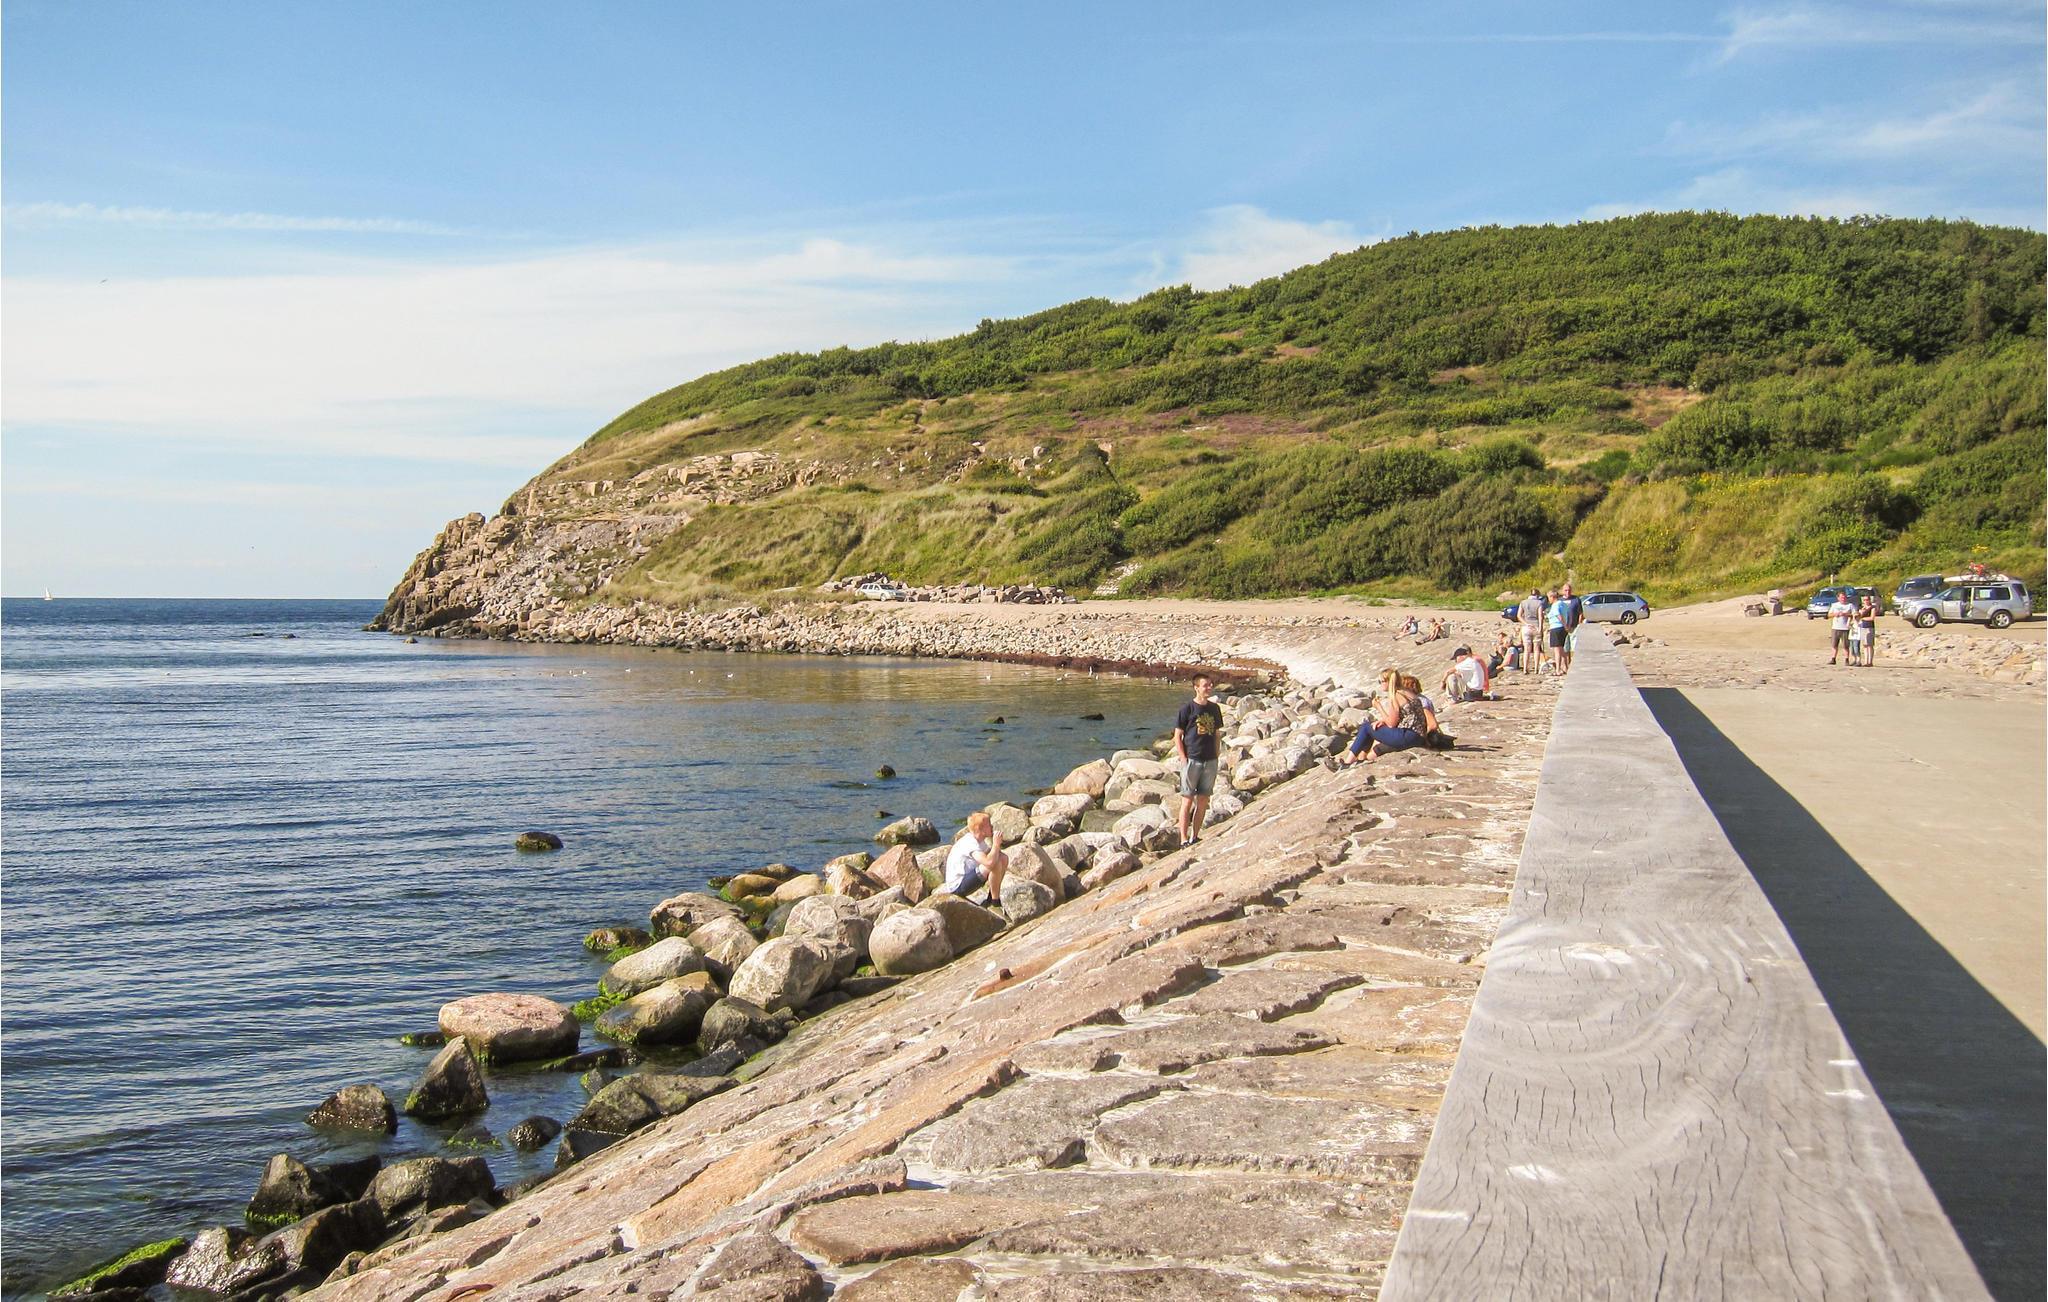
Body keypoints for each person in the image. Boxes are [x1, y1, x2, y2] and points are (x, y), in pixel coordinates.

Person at [1341, 669, 1437, 763]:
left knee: (1366, 727)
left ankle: (1348, 762)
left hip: (1408, 736)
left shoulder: (1396, 696)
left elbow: (1391, 724)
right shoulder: (1408, 693)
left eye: (1381, 681)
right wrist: (1383, 721)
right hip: (1419, 737)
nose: (1380, 684)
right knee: (1375, 736)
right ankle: (1361, 759)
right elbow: (1405, 717)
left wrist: (1379, 707)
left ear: (1388, 682)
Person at [1173, 672, 1224, 845]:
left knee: (1203, 800)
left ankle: (1195, 836)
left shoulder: (1214, 709)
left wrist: (1216, 754)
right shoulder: (1186, 709)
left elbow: (1216, 734)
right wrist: (1183, 758)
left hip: (1210, 760)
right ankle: (1183, 839)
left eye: (1210, 684)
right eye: (1205, 685)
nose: (1209, 687)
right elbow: (1177, 736)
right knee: (1187, 800)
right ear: (1196, 688)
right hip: (1192, 759)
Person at [938, 810, 1007, 904]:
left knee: (1003, 858)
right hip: (958, 886)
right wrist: (995, 845)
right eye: (989, 825)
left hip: (968, 878)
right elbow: (989, 863)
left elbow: (994, 855)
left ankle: (992, 897)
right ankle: (995, 902)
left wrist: (998, 848)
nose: (992, 827)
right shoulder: (970, 842)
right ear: (981, 829)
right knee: (995, 864)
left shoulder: (980, 841)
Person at [1556, 583, 1585, 674]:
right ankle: (1566, 666)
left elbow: (1580, 613)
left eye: (1569, 590)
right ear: (1562, 591)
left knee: (1574, 647)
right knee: (1565, 648)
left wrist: (1579, 624)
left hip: (1574, 626)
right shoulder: (1559, 601)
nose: (1567, 592)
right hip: (1562, 627)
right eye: (1565, 590)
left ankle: (1574, 665)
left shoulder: (1576, 599)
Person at [1517, 588, 1545, 673]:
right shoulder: (1539, 603)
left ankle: (1525, 668)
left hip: (1526, 627)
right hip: (1536, 626)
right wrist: (1540, 628)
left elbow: (1519, 616)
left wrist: (1526, 623)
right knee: (1536, 649)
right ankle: (1536, 668)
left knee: (1526, 649)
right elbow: (1540, 616)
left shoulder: (1523, 602)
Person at [1544, 588, 1571, 675]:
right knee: (1562, 649)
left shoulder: (1555, 605)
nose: (1548, 600)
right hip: (1562, 628)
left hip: (1556, 627)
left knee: (1557, 650)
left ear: (1552, 597)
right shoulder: (1563, 604)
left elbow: (1558, 615)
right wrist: (1566, 625)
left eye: (1549, 597)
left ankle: (1558, 669)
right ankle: (1565, 667)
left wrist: (1564, 624)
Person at [1826, 589, 1856, 665]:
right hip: (1836, 627)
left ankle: (1846, 659)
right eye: (1842, 597)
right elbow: (1829, 615)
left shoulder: (1850, 605)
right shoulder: (1834, 605)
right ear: (1838, 598)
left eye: (1844, 597)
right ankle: (1833, 658)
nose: (1843, 598)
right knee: (1834, 644)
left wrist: (1845, 614)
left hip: (1845, 627)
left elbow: (1855, 615)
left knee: (1846, 645)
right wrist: (1835, 614)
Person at [1856, 593, 1878, 667]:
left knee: (1869, 645)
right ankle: (1866, 661)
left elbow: (1872, 618)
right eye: (1864, 600)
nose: (1866, 601)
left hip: (1869, 627)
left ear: (1869, 600)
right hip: (1862, 626)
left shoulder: (1872, 608)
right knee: (1865, 645)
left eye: (1867, 600)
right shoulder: (1862, 608)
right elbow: (1858, 617)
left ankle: (1870, 661)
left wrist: (1862, 618)